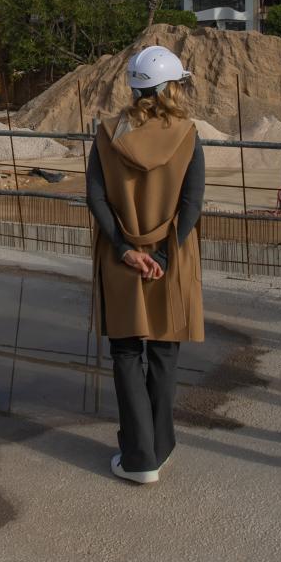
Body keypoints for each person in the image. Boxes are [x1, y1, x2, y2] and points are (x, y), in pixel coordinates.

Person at [85, 44, 206, 485]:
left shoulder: (107, 132)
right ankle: (159, 446)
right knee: (163, 350)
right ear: (171, 87)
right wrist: (160, 254)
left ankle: (138, 457)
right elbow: (191, 205)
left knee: (125, 352)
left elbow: (95, 197)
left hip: (122, 258)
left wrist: (124, 249)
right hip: (169, 258)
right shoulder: (188, 134)